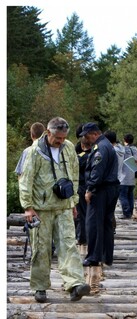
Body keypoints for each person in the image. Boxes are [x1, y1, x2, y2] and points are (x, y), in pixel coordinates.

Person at [18, 117, 90, 303]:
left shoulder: (68, 148)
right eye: (57, 138)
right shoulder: (34, 152)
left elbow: (74, 176)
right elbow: (26, 181)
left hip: (63, 206)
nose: (60, 141)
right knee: (41, 248)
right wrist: (28, 207)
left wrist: (73, 202)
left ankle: (75, 284)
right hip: (41, 209)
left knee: (68, 245)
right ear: (48, 133)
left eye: (63, 137)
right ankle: (40, 286)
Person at [81, 123, 120, 266]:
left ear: (93, 134)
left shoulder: (100, 148)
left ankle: (93, 257)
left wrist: (90, 189)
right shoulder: (107, 145)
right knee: (106, 223)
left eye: (86, 135)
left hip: (102, 189)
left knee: (94, 223)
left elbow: (97, 171)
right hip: (111, 188)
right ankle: (106, 255)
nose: (85, 139)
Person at [74, 124, 93, 245]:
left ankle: (82, 237)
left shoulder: (80, 158)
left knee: (81, 214)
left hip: (81, 186)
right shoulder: (95, 155)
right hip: (91, 186)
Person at [119, 134, 137, 219]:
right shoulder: (135, 149)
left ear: (125, 140)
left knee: (123, 196)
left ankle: (126, 213)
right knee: (130, 195)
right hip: (132, 176)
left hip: (124, 177)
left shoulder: (123, 149)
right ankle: (130, 212)